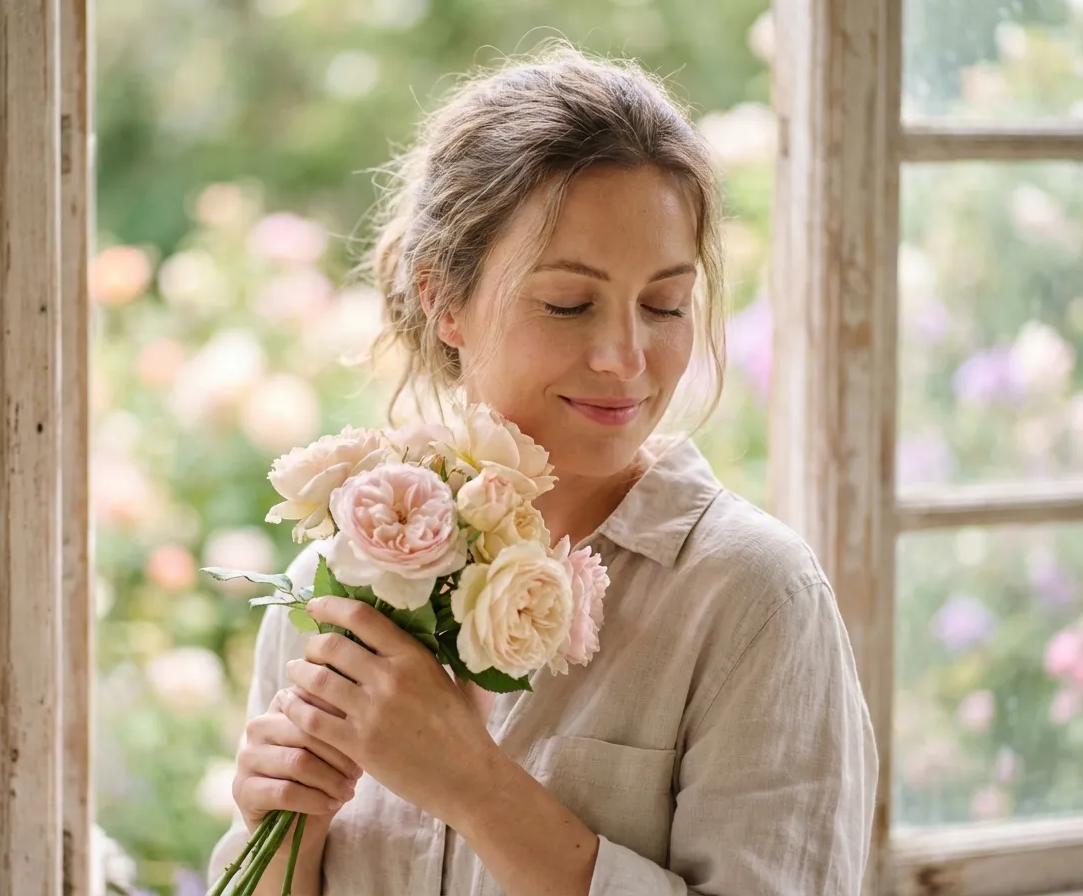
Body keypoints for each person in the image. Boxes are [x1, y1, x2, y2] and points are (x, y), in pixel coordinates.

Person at [208, 43, 878, 896]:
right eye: (570, 303)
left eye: (665, 304)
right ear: (446, 299)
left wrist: (477, 789)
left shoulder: (752, 600)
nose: (625, 357)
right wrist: (284, 840)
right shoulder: (337, 584)